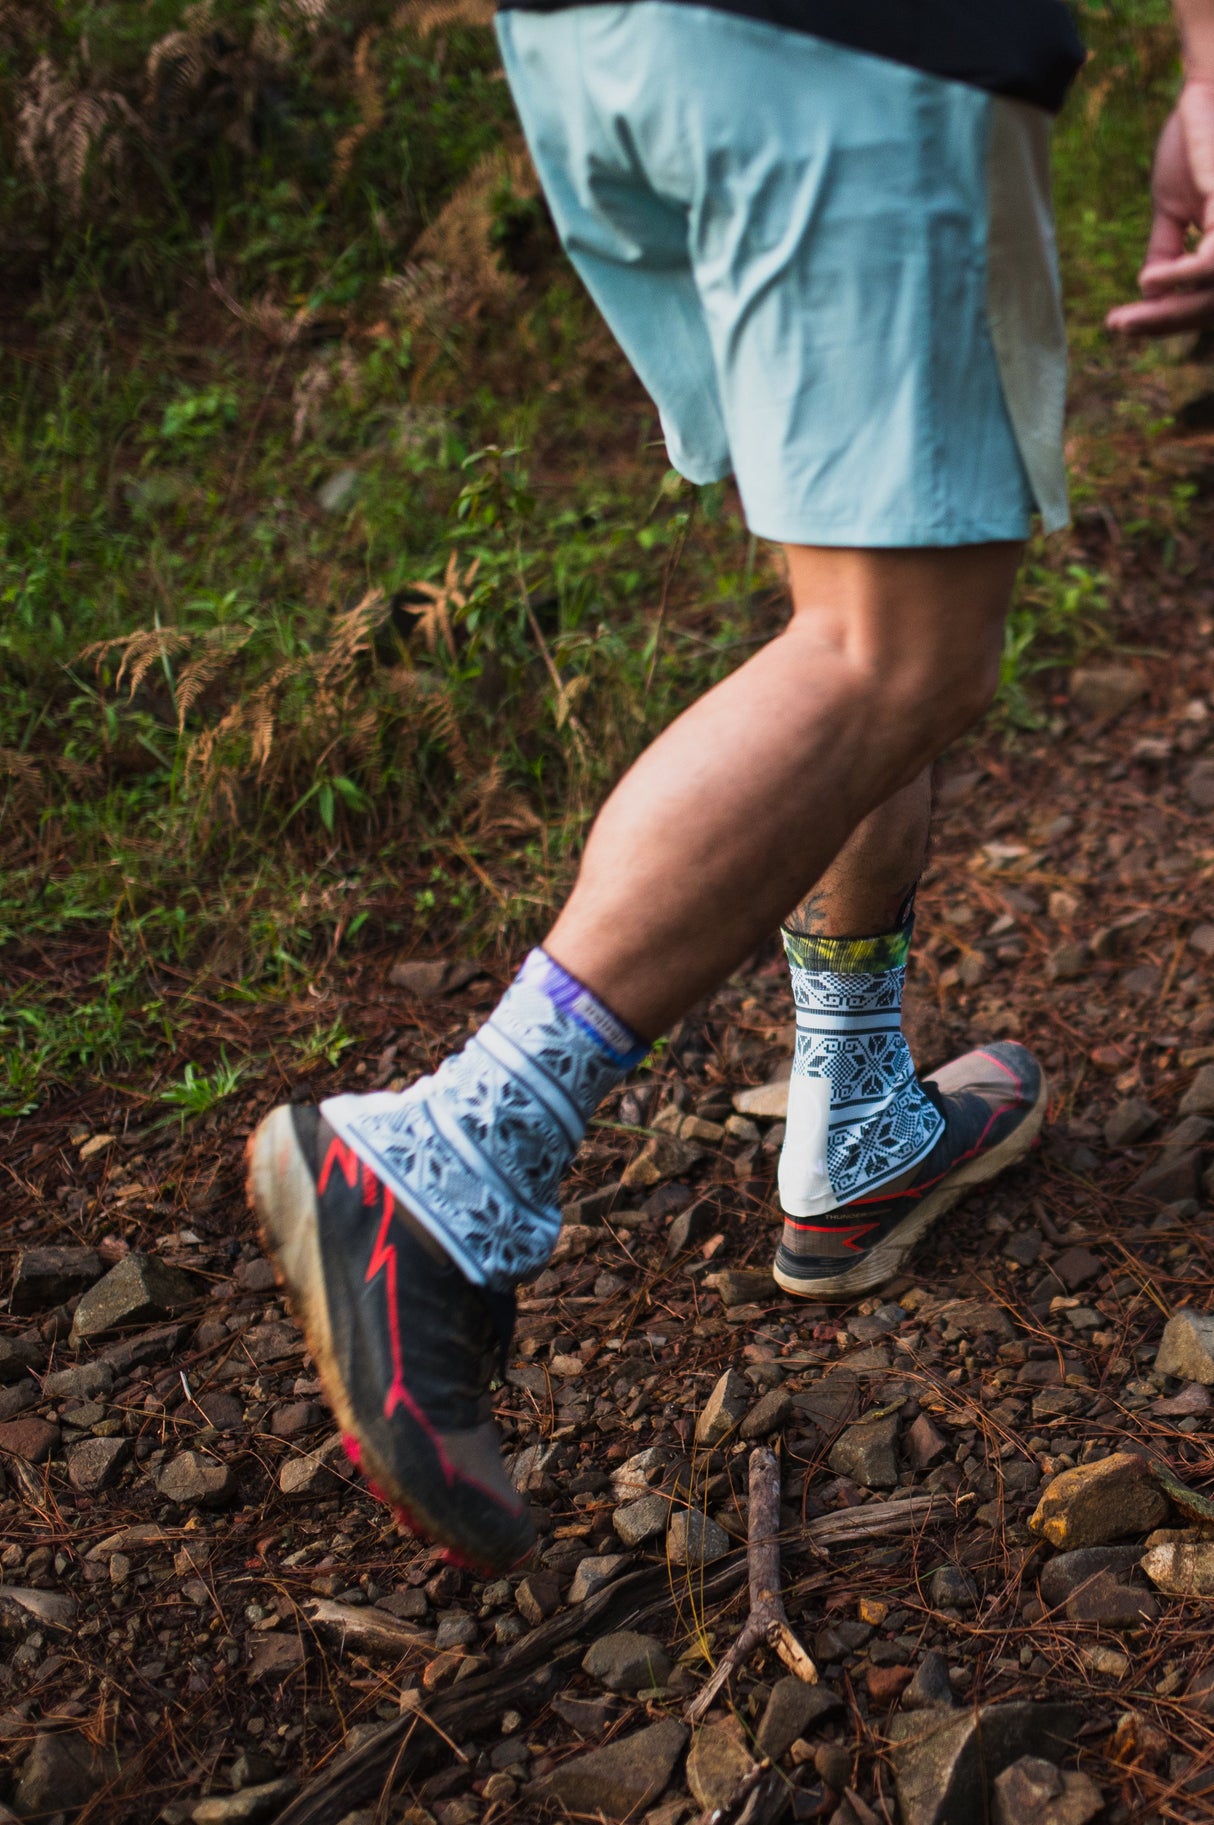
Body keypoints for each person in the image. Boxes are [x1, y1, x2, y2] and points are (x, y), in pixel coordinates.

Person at [247, 1, 1214, 1574]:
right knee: (889, 654)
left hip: (604, 50)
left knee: (851, 596)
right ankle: (450, 1152)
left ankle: (851, 1118)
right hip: (857, 51)